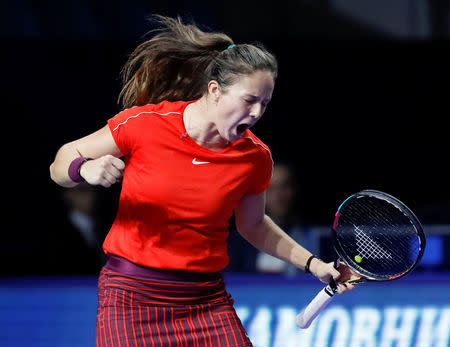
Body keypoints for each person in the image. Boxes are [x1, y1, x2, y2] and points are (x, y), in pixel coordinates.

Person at [49, 15, 355, 347]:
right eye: (248, 100)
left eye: (264, 104)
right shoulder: (146, 124)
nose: (255, 113)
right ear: (214, 91)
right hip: (130, 297)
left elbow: (253, 226)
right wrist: (84, 169)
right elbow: (60, 164)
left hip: (204, 301)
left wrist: (312, 264)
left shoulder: (254, 157)